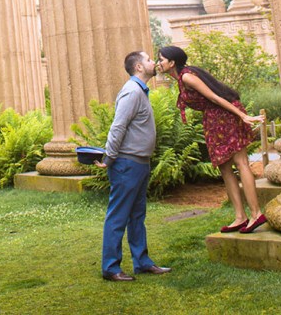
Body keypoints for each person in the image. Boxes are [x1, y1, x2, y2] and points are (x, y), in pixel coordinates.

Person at [157, 45, 267, 234]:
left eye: (161, 59)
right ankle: (240, 217)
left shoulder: (186, 76)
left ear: (172, 62)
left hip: (224, 115)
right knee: (225, 167)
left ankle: (256, 214)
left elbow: (215, 98)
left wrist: (241, 115)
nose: (159, 63)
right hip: (214, 119)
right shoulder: (182, 78)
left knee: (241, 162)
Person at [96, 50, 172, 282]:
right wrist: (109, 156)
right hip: (126, 164)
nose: (153, 63)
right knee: (118, 216)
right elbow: (118, 127)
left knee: (137, 215)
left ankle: (142, 262)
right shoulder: (131, 92)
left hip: (139, 163)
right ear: (139, 67)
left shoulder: (140, 91)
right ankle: (110, 267)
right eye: (149, 60)